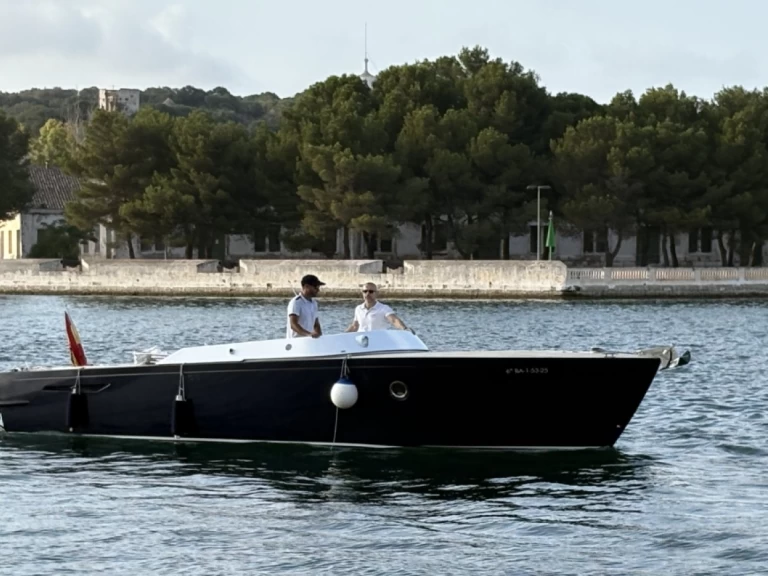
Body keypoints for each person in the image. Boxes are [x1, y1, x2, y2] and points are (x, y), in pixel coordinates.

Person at [345, 282, 413, 333]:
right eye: (365, 291)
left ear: (376, 293)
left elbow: (394, 320)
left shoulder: (384, 308)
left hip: (378, 341)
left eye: (371, 291)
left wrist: (405, 329)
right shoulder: (358, 309)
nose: (367, 294)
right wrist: (343, 335)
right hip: (361, 342)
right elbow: (355, 326)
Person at [286, 274, 325, 338]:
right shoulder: (296, 302)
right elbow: (293, 324)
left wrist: (319, 335)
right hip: (296, 341)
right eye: (315, 287)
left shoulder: (314, 303)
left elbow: (316, 323)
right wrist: (309, 334)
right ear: (306, 286)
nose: (318, 290)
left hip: (309, 341)